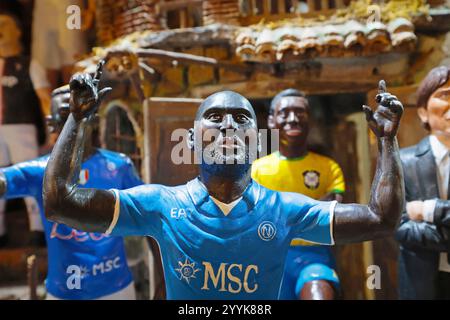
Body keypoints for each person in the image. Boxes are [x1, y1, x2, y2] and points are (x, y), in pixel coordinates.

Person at [43, 61, 404, 299]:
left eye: (240, 118)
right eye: (214, 117)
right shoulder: (161, 205)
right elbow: (59, 202)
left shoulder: (284, 210)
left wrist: (387, 140)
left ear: (258, 141)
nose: (228, 125)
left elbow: (381, 218)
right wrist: (77, 120)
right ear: (189, 141)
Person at [0, 84, 143, 300]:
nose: (76, 121)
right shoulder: (39, 171)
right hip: (63, 293)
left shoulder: (119, 166)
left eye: (85, 111)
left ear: (95, 119)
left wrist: (162, 279)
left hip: (117, 289)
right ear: (51, 124)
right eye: (69, 115)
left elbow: (151, 216)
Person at [252, 89, 343, 300]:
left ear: (309, 118)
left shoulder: (329, 168)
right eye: (284, 113)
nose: (293, 119)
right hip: (268, 260)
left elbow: (331, 216)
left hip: (315, 257)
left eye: (300, 112)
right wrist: (310, 210)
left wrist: (277, 214)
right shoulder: (256, 171)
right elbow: (250, 219)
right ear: (272, 120)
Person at [0, 4, 52, 246]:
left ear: (18, 31)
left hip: (22, 128)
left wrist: (51, 130)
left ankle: (37, 230)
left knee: (28, 174)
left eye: (4, 24)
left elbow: (44, 98)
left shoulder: (31, 64)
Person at [396, 66, 450, 299]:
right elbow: (395, 223)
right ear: (423, 112)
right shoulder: (403, 162)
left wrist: (428, 210)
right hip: (420, 277)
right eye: (445, 95)